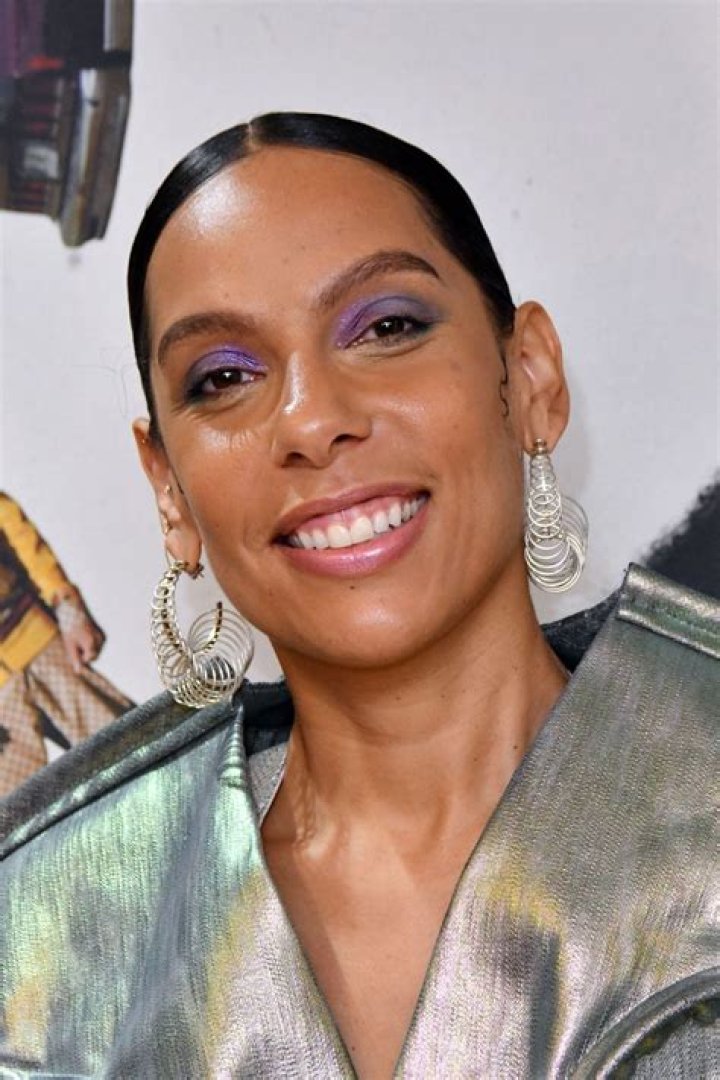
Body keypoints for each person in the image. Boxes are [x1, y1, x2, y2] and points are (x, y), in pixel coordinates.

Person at [0, 113, 717, 1079]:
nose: (312, 421)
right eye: (224, 377)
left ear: (531, 377)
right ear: (168, 487)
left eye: (387, 328)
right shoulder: (41, 949)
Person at [0, 491, 133, 798]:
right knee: (18, 813)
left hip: (34, 639)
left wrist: (67, 606)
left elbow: (14, 529)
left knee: (128, 746)